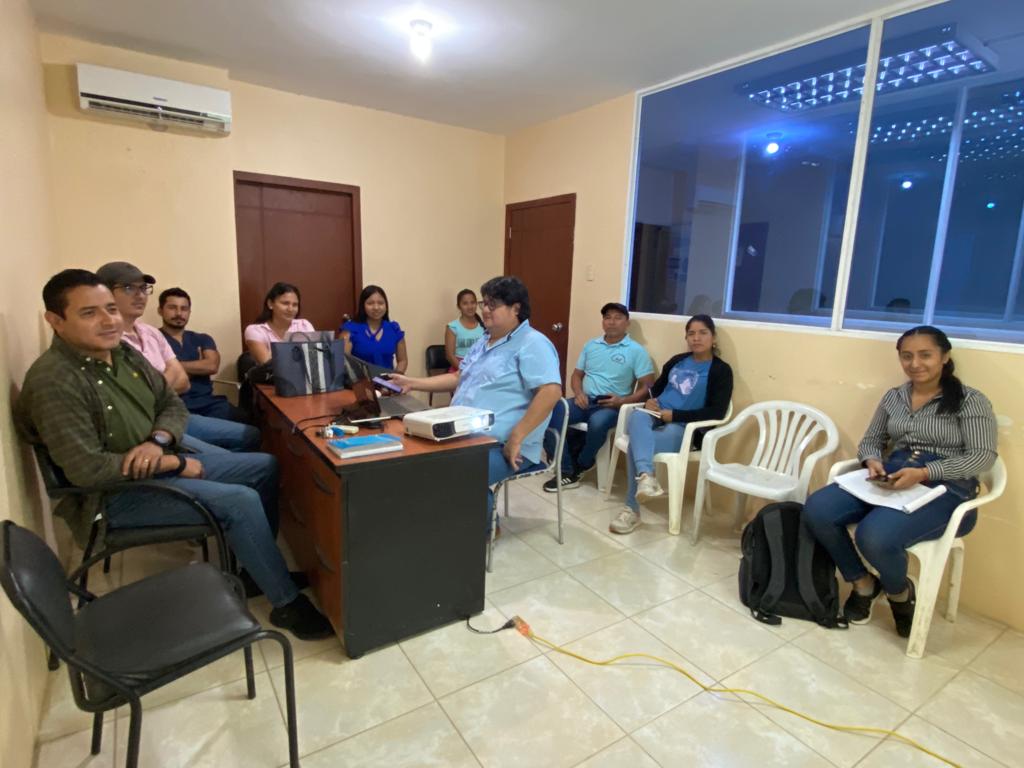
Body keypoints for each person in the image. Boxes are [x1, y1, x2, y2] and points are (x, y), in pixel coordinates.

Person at [16, 269, 333, 639]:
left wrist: (159, 441)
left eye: (110, 309)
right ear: (55, 320)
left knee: (264, 465)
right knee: (240, 500)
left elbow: (171, 403)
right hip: (116, 494)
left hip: (159, 456)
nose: (109, 320)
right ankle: (286, 602)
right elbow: (88, 471)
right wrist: (174, 462)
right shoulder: (55, 381)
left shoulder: (121, 353)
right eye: (89, 313)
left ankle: (254, 569)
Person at [802, 326, 997, 638]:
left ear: (944, 357)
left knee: (874, 535)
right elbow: (871, 440)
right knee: (817, 508)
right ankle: (863, 583)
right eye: (907, 356)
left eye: (925, 355)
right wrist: (871, 461)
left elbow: (982, 457)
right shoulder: (894, 397)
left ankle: (899, 593)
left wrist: (924, 473)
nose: (915, 364)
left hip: (946, 488)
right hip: (892, 475)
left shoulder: (970, 401)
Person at [388, 276, 561, 534]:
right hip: (466, 433)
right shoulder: (485, 340)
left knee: (460, 473)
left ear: (515, 308)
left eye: (493, 304)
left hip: (505, 444)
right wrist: (412, 383)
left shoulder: (533, 343)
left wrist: (517, 436)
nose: (485, 310)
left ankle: (484, 530)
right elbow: (459, 377)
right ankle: (446, 521)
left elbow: (551, 392)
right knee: (416, 457)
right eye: (484, 303)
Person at [97, 262, 260, 453]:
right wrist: (169, 377)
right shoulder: (108, 340)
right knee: (255, 462)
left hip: (178, 409)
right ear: (104, 293)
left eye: (143, 288)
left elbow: (184, 381)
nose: (140, 295)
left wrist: (157, 383)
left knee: (253, 434)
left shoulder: (150, 333)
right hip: (152, 421)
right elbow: (135, 398)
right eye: (128, 288)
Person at [612, 314, 733, 535]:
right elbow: (656, 390)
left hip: (684, 427)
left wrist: (675, 415)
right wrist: (649, 401)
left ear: (713, 338)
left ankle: (632, 508)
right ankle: (647, 477)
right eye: (691, 333)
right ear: (686, 337)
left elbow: (717, 411)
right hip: (655, 415)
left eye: (703, 333)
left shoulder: (721, 370)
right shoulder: (677, 361)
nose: (696, 338)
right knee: (636, 416)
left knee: (635, 445)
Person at [542, 302, 655, 492]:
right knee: (550, 413)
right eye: (607, 317)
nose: (612, 322)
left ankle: (583, 464)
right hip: (585, 400)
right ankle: (566, 470)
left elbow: (648, 385)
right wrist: (579, 393)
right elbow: (577, 375)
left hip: (612, 405)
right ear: (603, 322)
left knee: (598, 423)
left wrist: (622, 401)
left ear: (627, 323)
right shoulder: (591, 345)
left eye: (618, 318)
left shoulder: (636, 350)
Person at [158, 287, 249, 424]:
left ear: (189, 312)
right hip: (174, 405)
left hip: (209, 403)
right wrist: (198, 366)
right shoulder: (152, 339)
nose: (179, 313)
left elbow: (211, 366)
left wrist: (172, 366)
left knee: (252, 422)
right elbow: (155, 374)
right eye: (172, 308)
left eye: (184, 309)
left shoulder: (202, 338)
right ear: (160, 310)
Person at [243, 282, 315, 366]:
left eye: (295, 305)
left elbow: (314, 358)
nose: (290, 309)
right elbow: (268, 364)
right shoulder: (255, 330)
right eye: (285, 303)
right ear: (270, 304)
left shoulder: (304, 325)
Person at [340, 285, 408, 372]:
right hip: (361, 380)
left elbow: (402, 361)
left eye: (380, 303)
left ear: (386, 305)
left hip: (388, 379)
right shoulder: (350, 329)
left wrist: (397, 377)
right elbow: (343, 364)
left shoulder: (394, 329)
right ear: (363, 306)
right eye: (370, 303)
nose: (376, 307)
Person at [445, 289, 485, 369]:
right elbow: (450, 356)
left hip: (481, 368)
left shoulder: (485, 325)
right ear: (459, 306)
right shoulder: (452, 327)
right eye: (465, 303)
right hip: (459, 369)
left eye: (472, 302)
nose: (470, 307)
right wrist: (465, 371)